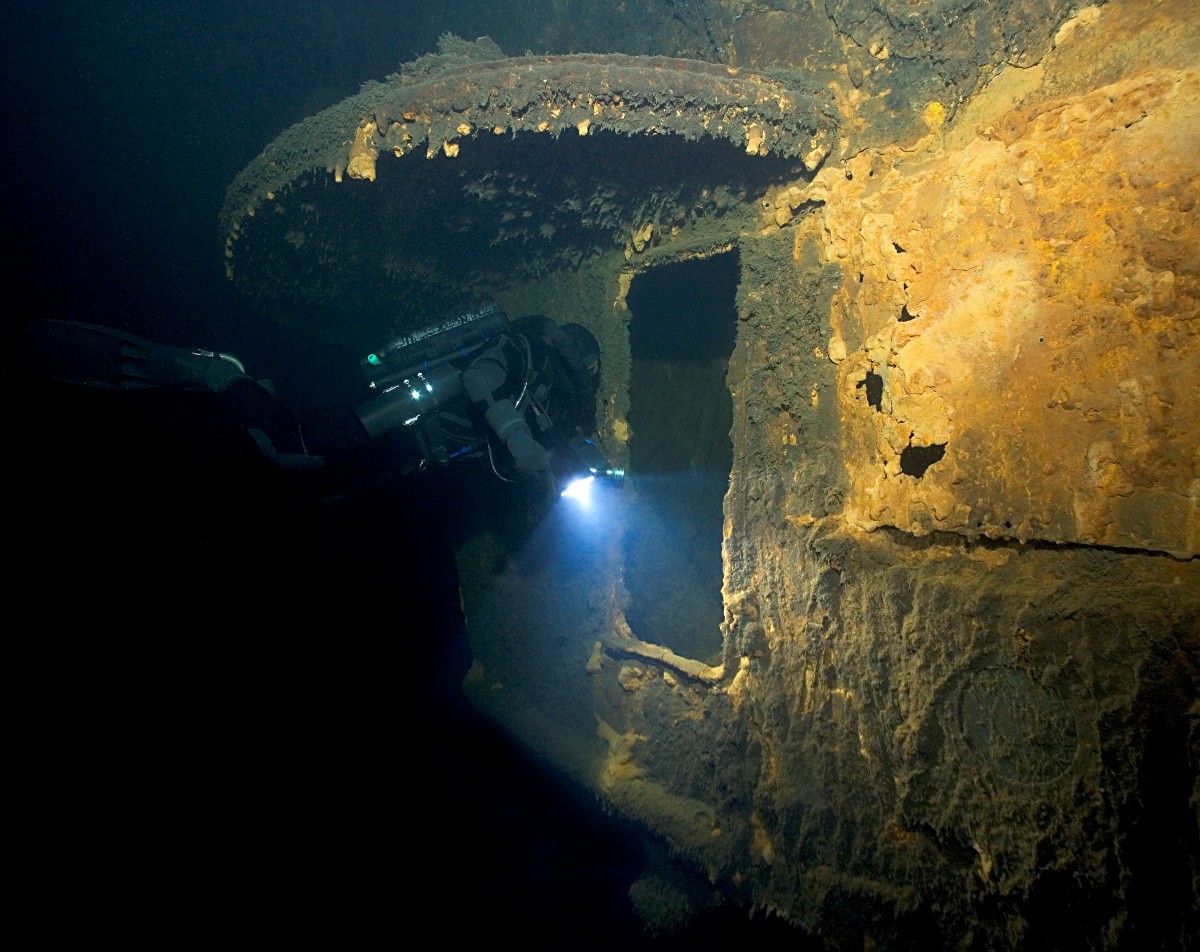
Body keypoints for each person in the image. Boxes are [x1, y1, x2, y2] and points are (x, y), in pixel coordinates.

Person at [19, 305, 617, 499]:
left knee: (307, 481)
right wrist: (516, 437)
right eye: (579, 357)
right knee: (290, 447)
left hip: (415, 449)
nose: (580, 368)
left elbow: (543, 444)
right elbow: (481, 381)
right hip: (404, 413)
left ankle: (249, 397)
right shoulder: (522, 350)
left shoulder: (551, 399)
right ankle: (218, 372)